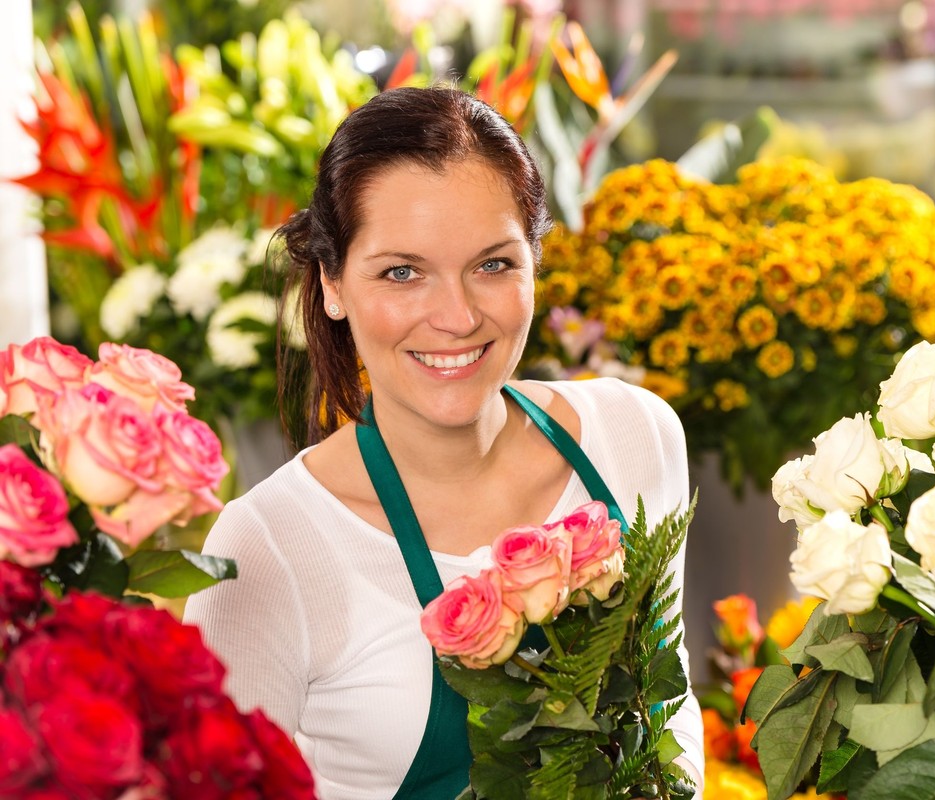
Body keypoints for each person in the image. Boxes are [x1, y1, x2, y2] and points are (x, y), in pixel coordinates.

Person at [183, 86, 704, 799]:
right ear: (332, 284)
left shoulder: (634, 435)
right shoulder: (270, 546)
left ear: (535, 262)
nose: (456, 317)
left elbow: (670, 717)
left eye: (493, 265)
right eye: (402, 272)